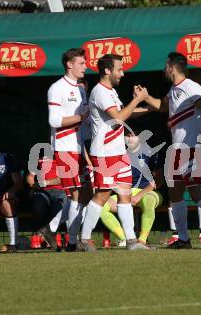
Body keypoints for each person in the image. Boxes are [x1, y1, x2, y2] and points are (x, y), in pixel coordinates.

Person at [140, 52, 201, 249]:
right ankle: (183, 239)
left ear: (171, 67)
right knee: (175, 193)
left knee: (196, 193)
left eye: (166, 66)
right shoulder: (174, 89)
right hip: (177, 150)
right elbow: (163, 106)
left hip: (191, 148)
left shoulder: (191, 87)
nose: (164, 70)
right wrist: (144, 96)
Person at [79, 53, 149, 251]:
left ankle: (132, 241)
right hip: (105, 153)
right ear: (107, 70)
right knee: (102, 195)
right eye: (119, 69)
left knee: (125, 194)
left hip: (118, 153)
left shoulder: (110, 92)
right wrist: (138, 100)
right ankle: (84, 239)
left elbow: (124, 113)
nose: (123, 73)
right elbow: (118, 117)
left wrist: (149, 107)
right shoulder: (99, 92)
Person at [47, 47, 90, 251]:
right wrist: (81, 117)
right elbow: (54, 120)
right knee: (76, 195)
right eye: (81, 63)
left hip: (78, 148)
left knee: (82, 195)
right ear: (69, 64)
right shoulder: (57, 88)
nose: (86, 66)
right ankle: (72, 242)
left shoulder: (80, 88)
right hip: (64, 148)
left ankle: (59, 232)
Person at [26, 154, 69, 250]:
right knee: (38, 205)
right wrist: (34, 186)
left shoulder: (65, 156)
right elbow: (30, 177)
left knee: (57, 207)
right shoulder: (40, 157)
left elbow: (65, 179)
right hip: (44, 191)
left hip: (62, 191)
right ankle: (40, 235)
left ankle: (52, 234)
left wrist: (45, 182)